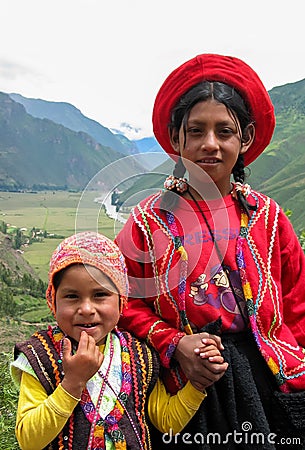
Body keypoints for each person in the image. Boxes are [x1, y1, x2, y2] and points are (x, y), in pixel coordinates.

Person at [115, 54, 305, 449]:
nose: (210, 144)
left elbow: (296, 305)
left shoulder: (269, 219)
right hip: (187, 387)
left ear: (246, 138)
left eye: (224, 131)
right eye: (197, 130)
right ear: (176, 137)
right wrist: (173, 343)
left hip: (272, 381)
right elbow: (123, 301)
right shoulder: (147, 224)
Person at [11, 231, 226, 450]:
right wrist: (72, 383)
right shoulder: (40, 357)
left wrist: (197, 384)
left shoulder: (140, 357)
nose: (86, 309)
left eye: (100, 295)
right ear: (53, 299)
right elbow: (29, 441)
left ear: (122, 300)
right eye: (72, 296)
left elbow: (166, 422)